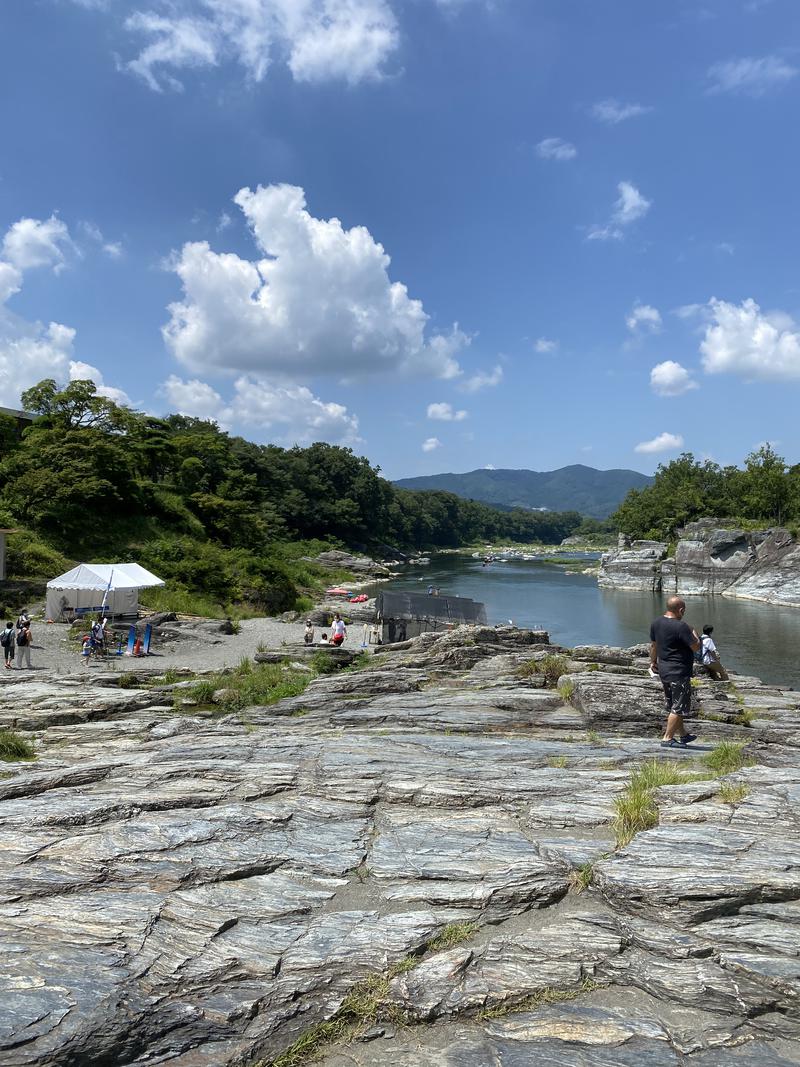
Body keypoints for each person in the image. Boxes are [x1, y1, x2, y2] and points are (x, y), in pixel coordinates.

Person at [649, 596, 701, 748]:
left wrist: (653, 662)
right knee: (679, 707)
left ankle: (683, 735)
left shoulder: (656, 623)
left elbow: (654, 646)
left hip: (664, 670)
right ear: (681, 610)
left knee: (673, 704)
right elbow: (696, 647)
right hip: (679, 671)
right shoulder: (682, 627)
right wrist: (694, 632)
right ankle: (667, 738)